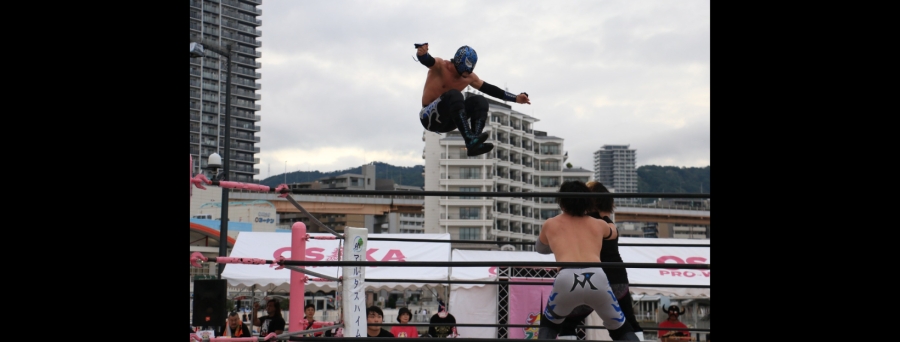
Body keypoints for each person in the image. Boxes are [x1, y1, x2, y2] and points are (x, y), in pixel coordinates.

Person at [535, 180, 637, 341]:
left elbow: (540, 248)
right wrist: (604, 216)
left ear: (561, 202)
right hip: (597, 276)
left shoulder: (551, 224)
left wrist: (559, 243)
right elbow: (614, 233)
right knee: (620, 328)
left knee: (550, 324)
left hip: (566, 277)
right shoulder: (598, 224)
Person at [415, 43, 530, 157]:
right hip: (428, 118)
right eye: (466, 69)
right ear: (459, 61)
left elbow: (490, 89)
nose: (467, 73)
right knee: (455, 94)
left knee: (480, 101)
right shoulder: (441, 66)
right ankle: (469, 137)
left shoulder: (469, 77)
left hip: (448, 122)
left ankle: (474, 142)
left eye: (470, 70)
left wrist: (516, 98)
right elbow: (428, 61)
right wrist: (422, 54)